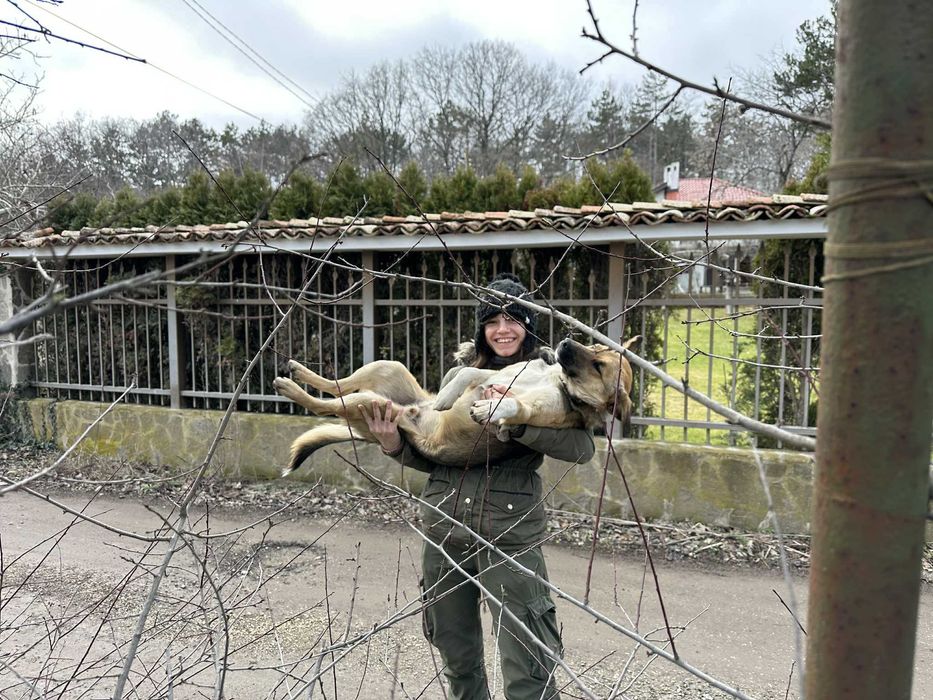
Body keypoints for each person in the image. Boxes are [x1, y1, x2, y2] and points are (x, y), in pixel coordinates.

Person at [362, 272, 595, 700]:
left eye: (513, 319)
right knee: (456, 655)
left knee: (528, 661)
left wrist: (517, 418)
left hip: (509, 534)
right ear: (481, 330)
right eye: (492, 321)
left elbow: (582, 447)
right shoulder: (460, 375)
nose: (502, 329)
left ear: (529, 325)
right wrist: (394, 444)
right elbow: (434, 449)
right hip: (445, 528)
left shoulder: (551, 377)